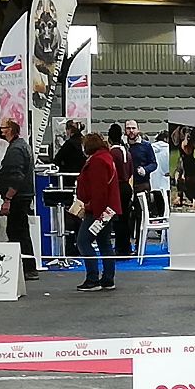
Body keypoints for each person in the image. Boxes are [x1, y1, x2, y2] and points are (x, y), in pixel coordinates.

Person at [74, 133, 122, 292]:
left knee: (83, 241)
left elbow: (98, 190)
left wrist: (89, 209)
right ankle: (108, 279)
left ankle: (92, 278)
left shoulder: (97, 161)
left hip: (98, 211)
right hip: (108, 210)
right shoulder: (106, 158)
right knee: (104, 243)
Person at [0, 118, 40, 281]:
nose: (0, 131)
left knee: (17, 232)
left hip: (18, 197)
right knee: (20, 232)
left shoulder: (15, 150)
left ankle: (27, 268)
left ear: (10, 130)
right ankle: (26, 267)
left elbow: (16, 177)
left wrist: (8, 198)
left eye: (3, 128)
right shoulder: (21, 146)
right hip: (23, 195)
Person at [107, 123, 134, 257]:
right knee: (125, 218)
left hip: (117, 188)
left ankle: (120, 248)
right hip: (126, 187)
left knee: (117, 219)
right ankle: (126, 246)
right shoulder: (127, 152)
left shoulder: (111, 153)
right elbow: (130, 172)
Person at [124, 120, 158, 196]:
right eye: (128, 128)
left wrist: (145, 170)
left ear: (138, 130)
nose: (131, 131)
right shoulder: (123, 146)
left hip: (142, 184)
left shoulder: (146, 145)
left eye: (133, 128)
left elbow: (154, 164)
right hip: (126, 185)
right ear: (125, 130)